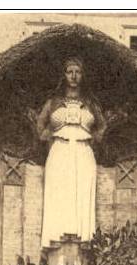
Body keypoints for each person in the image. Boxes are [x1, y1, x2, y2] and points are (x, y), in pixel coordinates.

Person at [36, 57, 106, 250]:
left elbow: (103, 127)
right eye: (69, 72)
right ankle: (56, 242)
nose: (74, 76)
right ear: (64, 75)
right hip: (59, 151)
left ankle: (82, 243)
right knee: (59, 194)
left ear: (83, 76)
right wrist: (49, 135)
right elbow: (40, 127)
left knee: (82, 193)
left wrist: (94, 137)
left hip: (84, 152)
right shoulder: (53, 102)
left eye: (78, 72)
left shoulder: (90, 103)